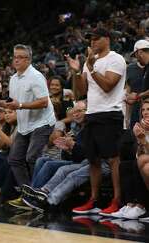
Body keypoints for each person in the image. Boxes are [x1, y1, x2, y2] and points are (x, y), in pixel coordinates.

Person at [0, 44, 56, 208]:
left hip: (42, 123)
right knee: (15, 159)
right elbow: (13, 104)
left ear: (29, 59)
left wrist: (21, 105)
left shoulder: (36, 76)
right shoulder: (13, 79)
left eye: (21, 57)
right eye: (15, 56)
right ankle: (28, 195)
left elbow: (44, 102)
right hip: (25, 124)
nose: (16, 59)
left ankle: (40, 195)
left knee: (31, 157)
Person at [66, 28, 126, 215]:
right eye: (90, 39)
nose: (92, 42)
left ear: (107, 39)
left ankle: (117, 200)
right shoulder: (89, 61)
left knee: (113, 159)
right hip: (92, 113)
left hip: (110, 113)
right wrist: (77, 72)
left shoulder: (116, 59)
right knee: (93, 160)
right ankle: (93, 200)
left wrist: (91, 68)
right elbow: (80, 92)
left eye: (96, 38)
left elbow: (108, 86)